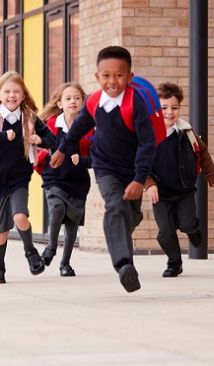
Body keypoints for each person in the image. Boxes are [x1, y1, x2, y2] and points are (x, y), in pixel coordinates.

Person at [50, 46, 157, 293]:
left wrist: (140, 179)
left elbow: (147, 143)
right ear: (97, 77)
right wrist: (62, 148)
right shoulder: (94, 101)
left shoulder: (136, 104)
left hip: (132, 171)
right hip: (105, 167)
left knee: (130, 216)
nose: (112, 81)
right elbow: (78, 128)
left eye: (119, 75)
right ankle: (124, 265)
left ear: (130, 77)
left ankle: (128, 224)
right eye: (106, 75)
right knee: (115, 206)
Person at [0, 70, 57, 284]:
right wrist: (0, 136)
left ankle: (30, 252)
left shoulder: (30, 119)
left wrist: (39, 139)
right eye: (7, 91)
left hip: (19, 180)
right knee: (1, 232)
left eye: (16, 91)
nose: (12, 95)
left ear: (23, 96)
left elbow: (52, 139)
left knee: (20, 217)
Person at [145, 82, 214, 277]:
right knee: (165, 232)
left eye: (174, 108)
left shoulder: (186, 133)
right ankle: (174, 263)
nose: (169, 112)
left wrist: (212, 176)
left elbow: (202, 153)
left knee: (186, 223)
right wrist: (149, 184)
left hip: (184, 190)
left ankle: (193, 229)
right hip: (160, 194)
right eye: (164, 108)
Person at [37, 82, 93, 277]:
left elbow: (97, 156)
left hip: (78, 180)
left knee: (72, 224)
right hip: (54, 177)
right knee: (58, 207)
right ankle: (51, 248)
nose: (73, 102)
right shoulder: (50, 125)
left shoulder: (89, 128)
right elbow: (38, 147)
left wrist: (84, 161)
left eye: (77, 98)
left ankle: (65, 264)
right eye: (68, 98)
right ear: (60, 103)